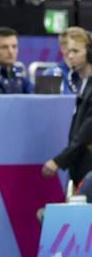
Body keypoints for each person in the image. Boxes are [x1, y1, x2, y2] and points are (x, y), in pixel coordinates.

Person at [45, 28, 92, 188]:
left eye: (75, 51)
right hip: (79, 163)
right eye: (68, 51)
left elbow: (86, 133)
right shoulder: (84, 85)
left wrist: (59, 160)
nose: (69, 56)